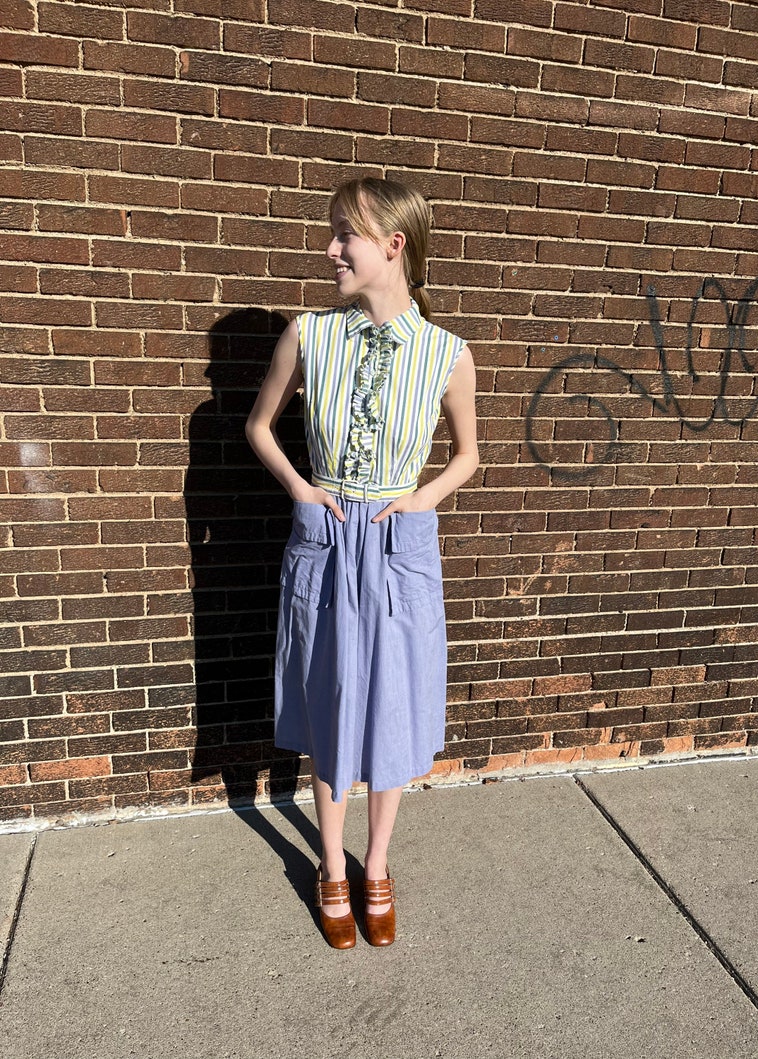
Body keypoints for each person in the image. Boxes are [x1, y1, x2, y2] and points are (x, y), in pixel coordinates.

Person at [245, 176, 478, 949]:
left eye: (346, 233)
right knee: (329, 703)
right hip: (329, 529)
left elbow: (470, 455)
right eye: (333, 231)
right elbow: (260, 427)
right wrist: (301, 487)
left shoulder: (447, 353)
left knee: (392, 705)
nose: (331, 247)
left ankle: (375, 864)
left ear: (393, 245)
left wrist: (425, 498)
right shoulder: (310, 335)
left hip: (397, 538)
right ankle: (331, 870)